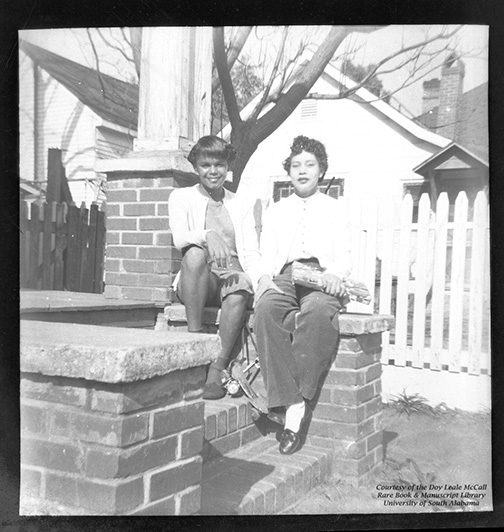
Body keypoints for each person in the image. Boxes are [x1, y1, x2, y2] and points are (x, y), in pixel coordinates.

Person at [254, 135, 352, 455]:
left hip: (322, 276)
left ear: (321, 171)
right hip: (285, 274)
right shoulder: (277, 210)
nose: (302, 170)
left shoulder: (336, 209)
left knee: (318, 311)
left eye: (310, 164)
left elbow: (346, 254)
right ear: (289, 172)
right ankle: (289, 399)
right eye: (296, 165)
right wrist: (265, 278)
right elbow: (268, 253)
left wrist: (336, 274)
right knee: (267, 308)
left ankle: (297, 408)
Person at [168, 135, 261, 400]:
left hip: (230, 275)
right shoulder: (181, 197)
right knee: (195, 254)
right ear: (195, 167)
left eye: (219, 165)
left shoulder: (240, 203)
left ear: (227, 167)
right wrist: (208, 234)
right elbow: (180, 238)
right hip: (198, 278)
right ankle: (196, 345)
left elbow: (251, 252)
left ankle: (215, 369)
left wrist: (258, 282)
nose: (213, 171)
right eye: (206, 165)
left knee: (241, 284)